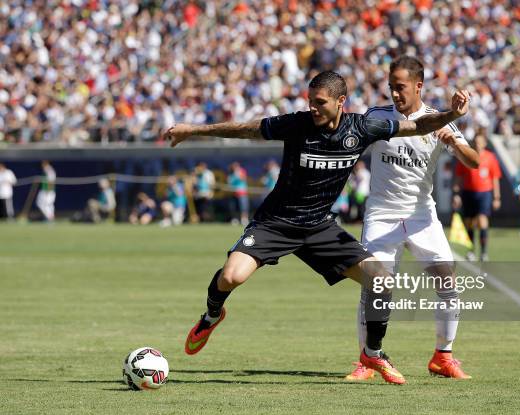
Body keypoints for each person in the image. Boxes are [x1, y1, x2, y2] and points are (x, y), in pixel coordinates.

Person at [163, 70, 471, 384]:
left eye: (319, 102)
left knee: (380, 280)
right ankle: (212, 315)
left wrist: (451, 115)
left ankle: (372, 354)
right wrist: (194, 130)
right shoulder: (297, 124)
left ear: (341, 102)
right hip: (275, 223)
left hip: (319, 227)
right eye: (310, 101)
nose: (312, 107)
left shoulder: (362, 128)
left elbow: (417, 125)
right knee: (230, 277)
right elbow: (246, 129)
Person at [344, 57, 479, 382]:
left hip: (421, 215)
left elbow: (473, 161)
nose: (394, 92)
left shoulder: (438, 120)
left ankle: (443, 357)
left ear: (418, 86)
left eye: (400, 86)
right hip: (381, 214)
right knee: (374, 287)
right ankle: (367, 360)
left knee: (448, 280)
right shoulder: (377, 117)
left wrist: (454, 144)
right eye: (391, 86)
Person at [453, 133, 502, 261]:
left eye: (480, 142)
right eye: (476, 141)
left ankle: (484, 252)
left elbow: (495, 178)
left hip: (484, 193)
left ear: (485, 143)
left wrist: (497, 197)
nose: (478, 144)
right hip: (468, 192)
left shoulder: (490, 157)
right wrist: (456, 194)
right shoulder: (467, 155)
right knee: (469, 223)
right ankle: (471, 250)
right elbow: (459, 177)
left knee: (482, 220)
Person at [228, 162, 249, 226]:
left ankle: (244, 219)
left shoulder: (241, 171)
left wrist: (238, 174)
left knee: (243, 208)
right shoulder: (231, 174)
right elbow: (229, 182)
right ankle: (235, 220)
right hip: (234, 193)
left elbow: (243, 178)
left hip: (242, 193)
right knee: (234, 208)